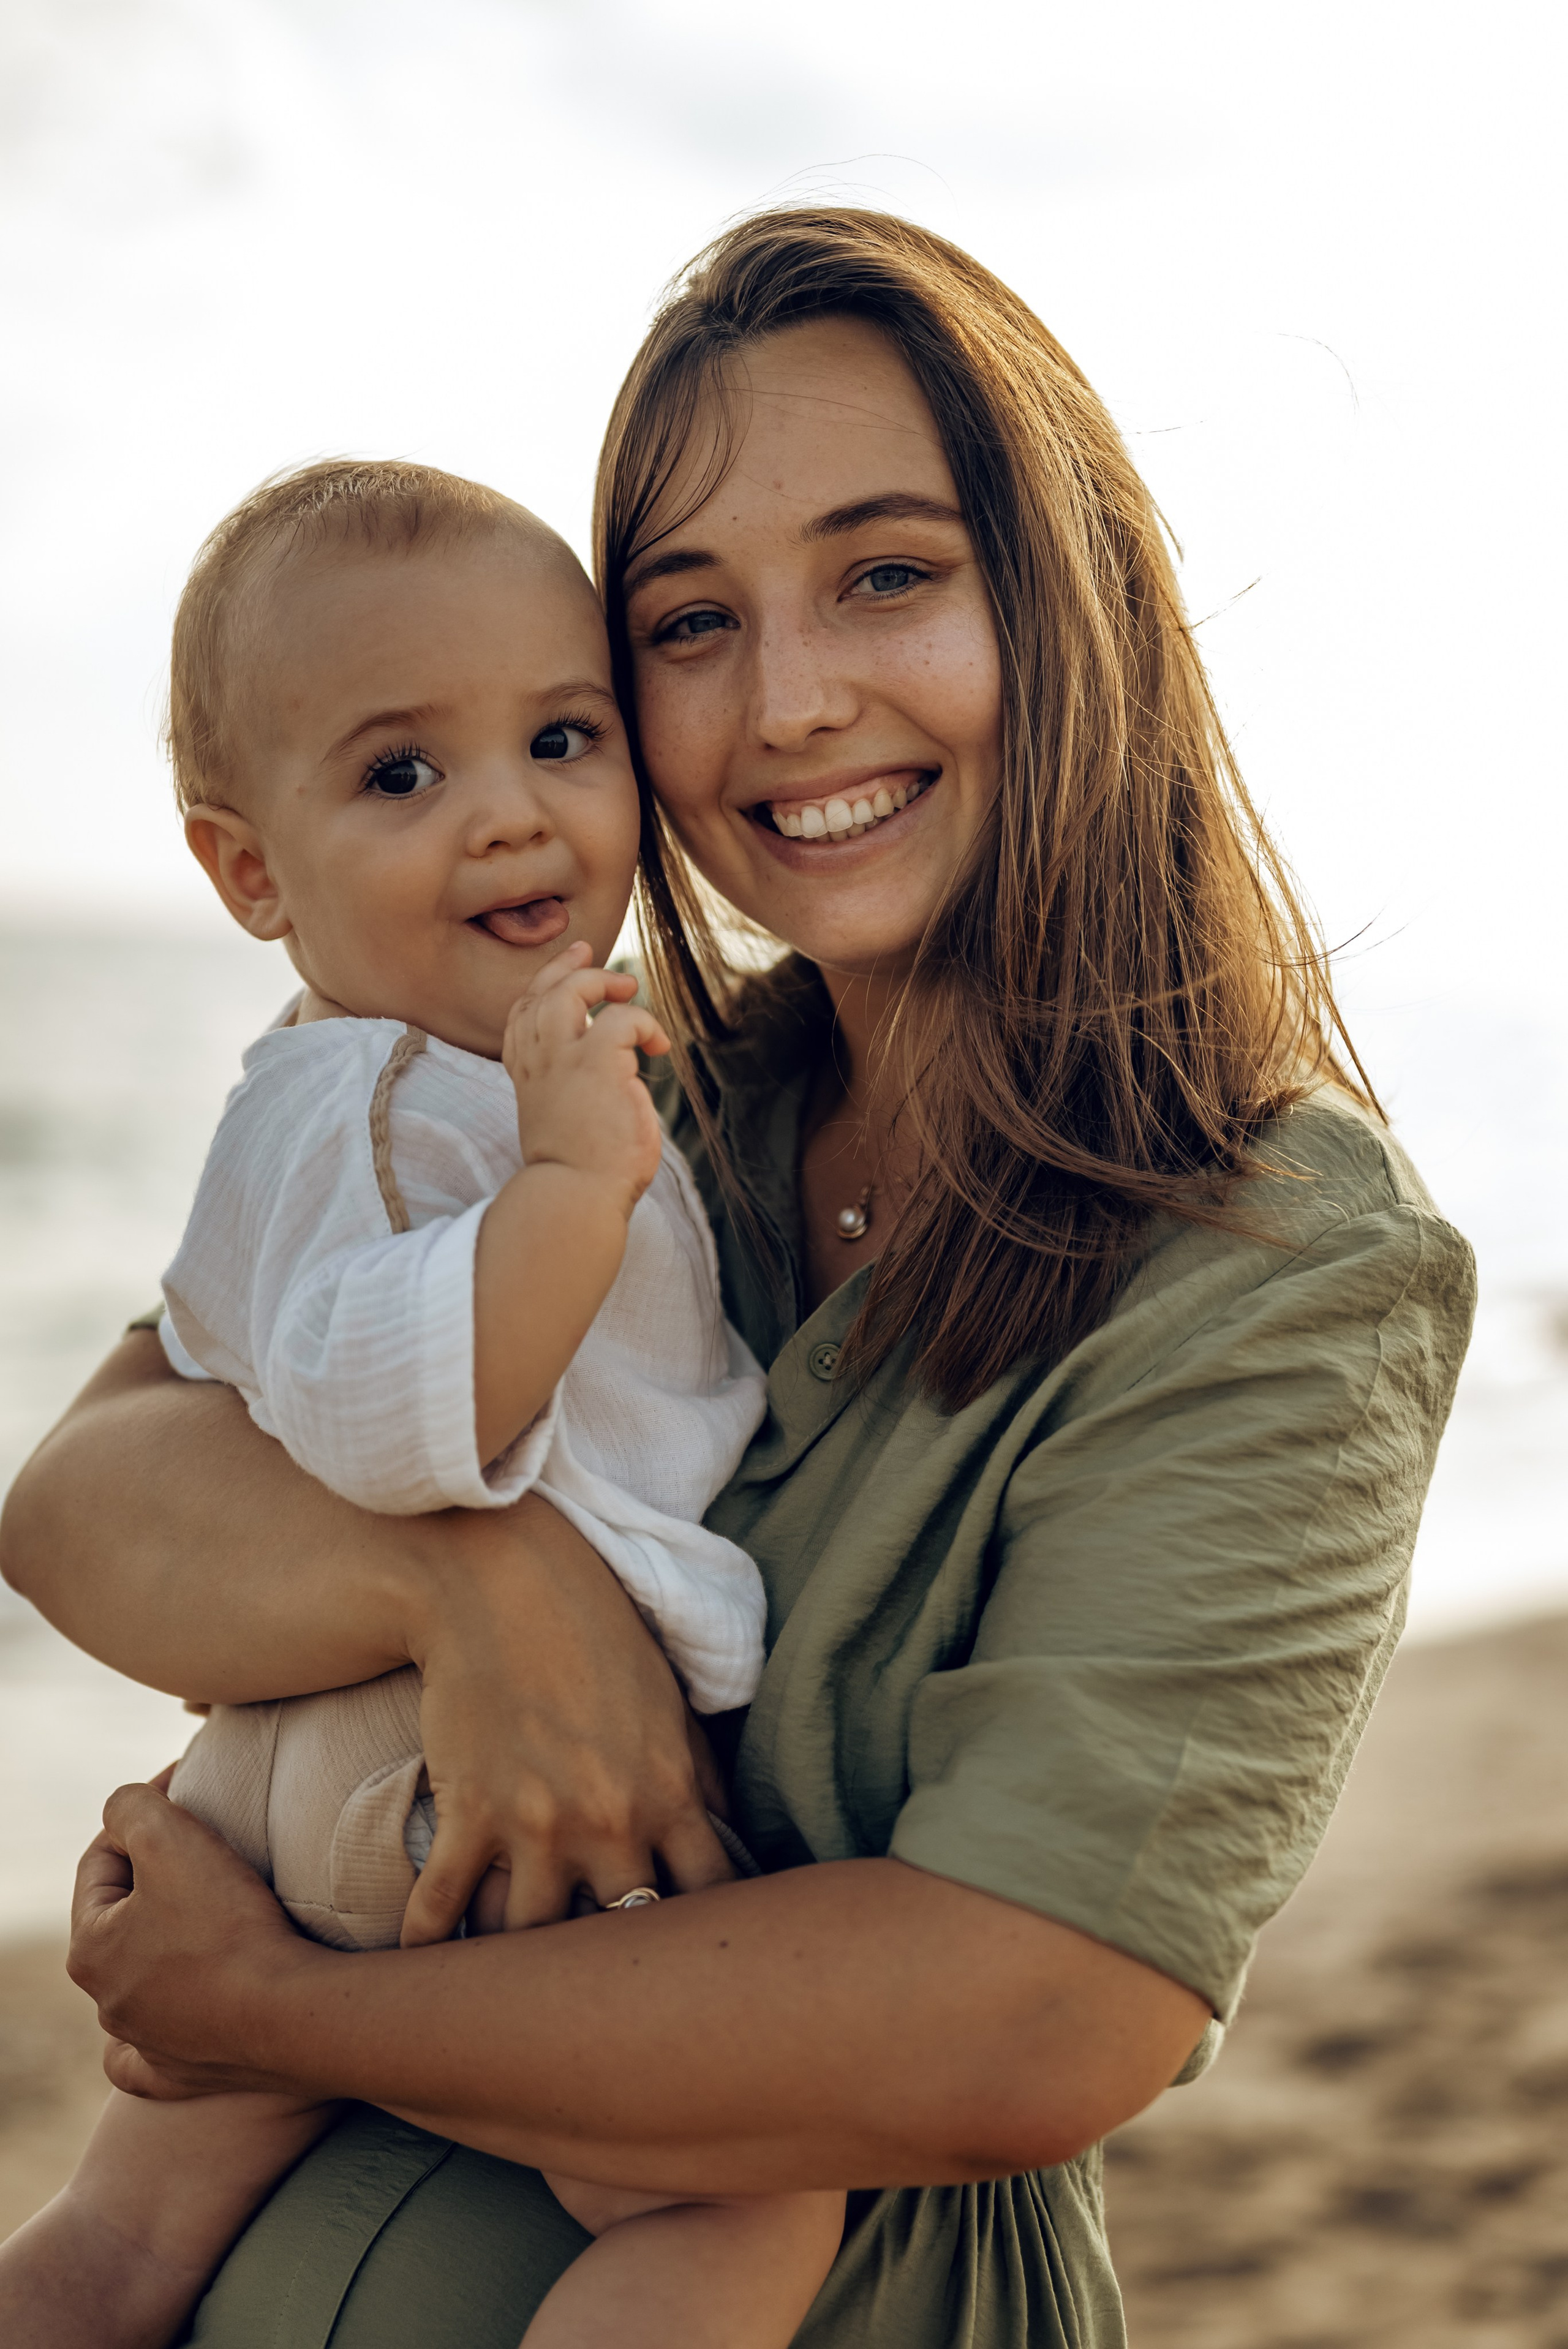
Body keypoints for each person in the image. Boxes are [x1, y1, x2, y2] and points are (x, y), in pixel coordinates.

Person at [0, 209, 1476, 2348]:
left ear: (1075, 604)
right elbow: (84, 1498)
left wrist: (290, 2007)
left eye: (890, 573)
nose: (789, 702)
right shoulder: (631, 1111)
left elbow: (1030, 2021)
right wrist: (479, 1591)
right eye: (690, 621)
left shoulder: (1276, 1257)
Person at [0, 457, 847, 2348]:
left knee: (122, 2244)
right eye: (402, 774)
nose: (508, 817)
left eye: (562, 736)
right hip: (439, 1773)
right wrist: (568, 1188)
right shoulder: (399, 1108)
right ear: (248, 870)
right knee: (743, 2190)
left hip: (290, 1764)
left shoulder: (387, 1075)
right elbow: (386, 1427)